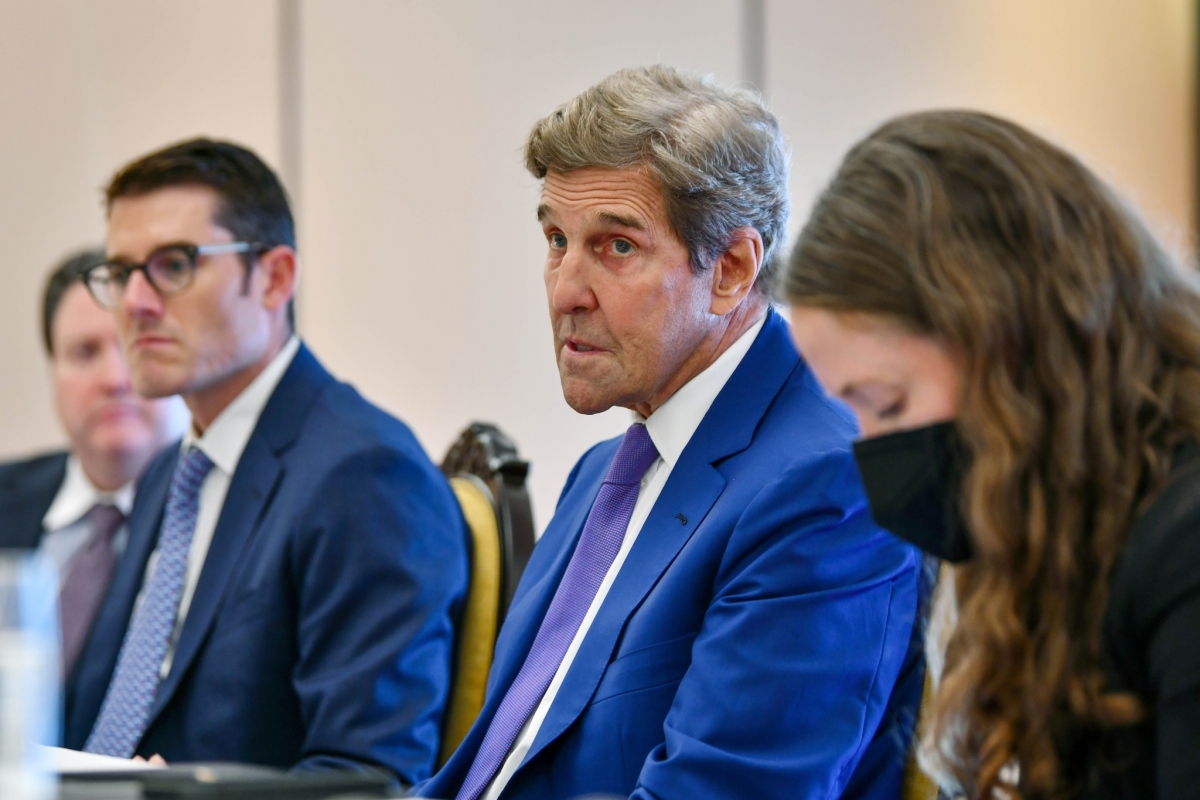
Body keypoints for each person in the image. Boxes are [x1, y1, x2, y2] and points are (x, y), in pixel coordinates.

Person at [422, 65, 925, 800]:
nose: (565, 290)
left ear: (731, 268)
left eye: (616, 247)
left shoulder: (830, 483)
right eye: (557, 239)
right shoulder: (601, 474)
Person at [785, 110, 1200, 799]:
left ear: (1011, 341)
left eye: (886, 403)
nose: (871, 450)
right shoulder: (1056, 539)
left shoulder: (1182, 546)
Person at [63, 139, 468, 784]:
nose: (135, 304)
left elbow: (366, 779)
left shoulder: (364, 476)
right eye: (120, 273)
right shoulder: (171, 470)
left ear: (275, 277)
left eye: (173, 265)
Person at [0, 249, 186, 680]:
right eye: (84, 352)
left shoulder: (219, 518)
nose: (114, 379)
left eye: (132, 346)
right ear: (52, 372)